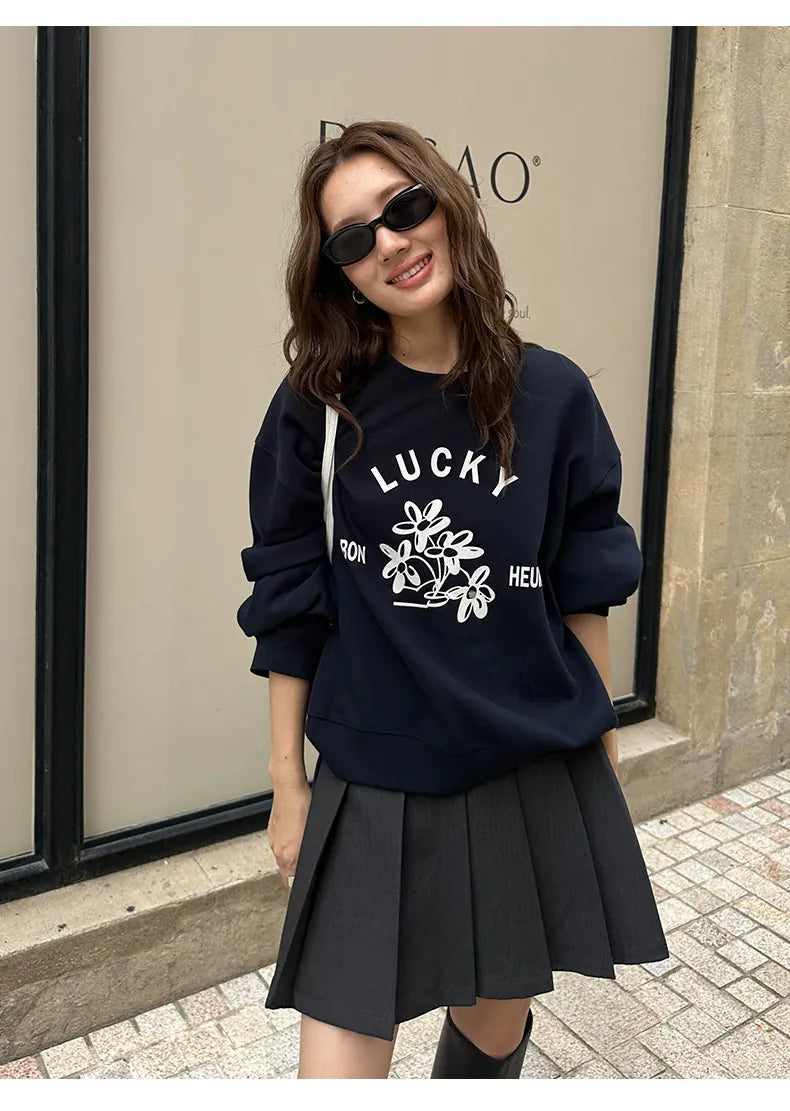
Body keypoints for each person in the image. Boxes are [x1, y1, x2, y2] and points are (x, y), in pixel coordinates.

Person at [237, 119, 669, 1080]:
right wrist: (287, 781)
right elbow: (288, 596)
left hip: (525, 762)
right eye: (355, 238)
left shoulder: (552, 393)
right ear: (343, 275)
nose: (390, 242)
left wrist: (598, 738)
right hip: (374, 774)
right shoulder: (318, 405)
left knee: (491, 1037)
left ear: (446, 204)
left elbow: (585, 580)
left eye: (404, 207)